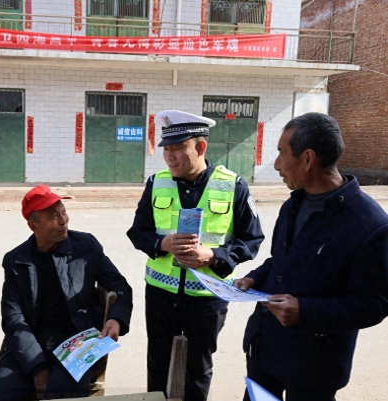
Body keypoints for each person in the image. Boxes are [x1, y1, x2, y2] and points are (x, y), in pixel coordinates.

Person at [234, 112, 388, 401]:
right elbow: (281, 262)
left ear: (307, 159)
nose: (276, 165)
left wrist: (305, 311)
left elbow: (372, 306)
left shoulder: (369, 225)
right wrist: (254, 278)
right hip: (265, 351)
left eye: (281, 153)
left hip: (314, 367)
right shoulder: (293, 205)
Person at [127, 110, 264, 401]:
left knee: (197, 370)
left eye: (178, 148)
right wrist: (163, 243)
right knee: (158, 365)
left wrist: (213, 255)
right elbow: (138, 232)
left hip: (206, 299)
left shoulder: (233, 185)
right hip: (161, 296)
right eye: (166, 149)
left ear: (200, 147)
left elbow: (251, 239)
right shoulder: (156, 182)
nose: (170, 156)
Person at [0, 185, 133, 401]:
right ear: (34, 226)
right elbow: (13, 318)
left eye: (63, 211)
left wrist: (116, 318)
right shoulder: (16, 261)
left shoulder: (85, 246)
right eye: (54, 216)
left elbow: (119, 284)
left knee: (60, 394)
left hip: (79, 341)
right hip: (31, 342)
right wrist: (37, 367)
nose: (63, 220)